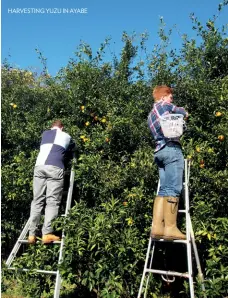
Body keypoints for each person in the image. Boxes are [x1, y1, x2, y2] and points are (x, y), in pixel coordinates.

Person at [148, 85, 188, 240]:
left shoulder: (151, 115)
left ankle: (157, 227)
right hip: (171, 149)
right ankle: (170, 227)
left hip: (159, 152)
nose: (172, 100)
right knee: (174, 188)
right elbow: (180, 110)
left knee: (163, 189)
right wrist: (185, 112)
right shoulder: (164, 105)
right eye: (170, 96)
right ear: (163, 96)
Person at [28, 120, 75, 244]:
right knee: (52, 201)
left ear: (51, 127)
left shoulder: (45, 134)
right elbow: (70, 146)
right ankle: (47, 233)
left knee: (37, 200)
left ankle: (31, 234)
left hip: (39, 167)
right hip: (55, 167)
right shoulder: (66, 136)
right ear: (62, 127)